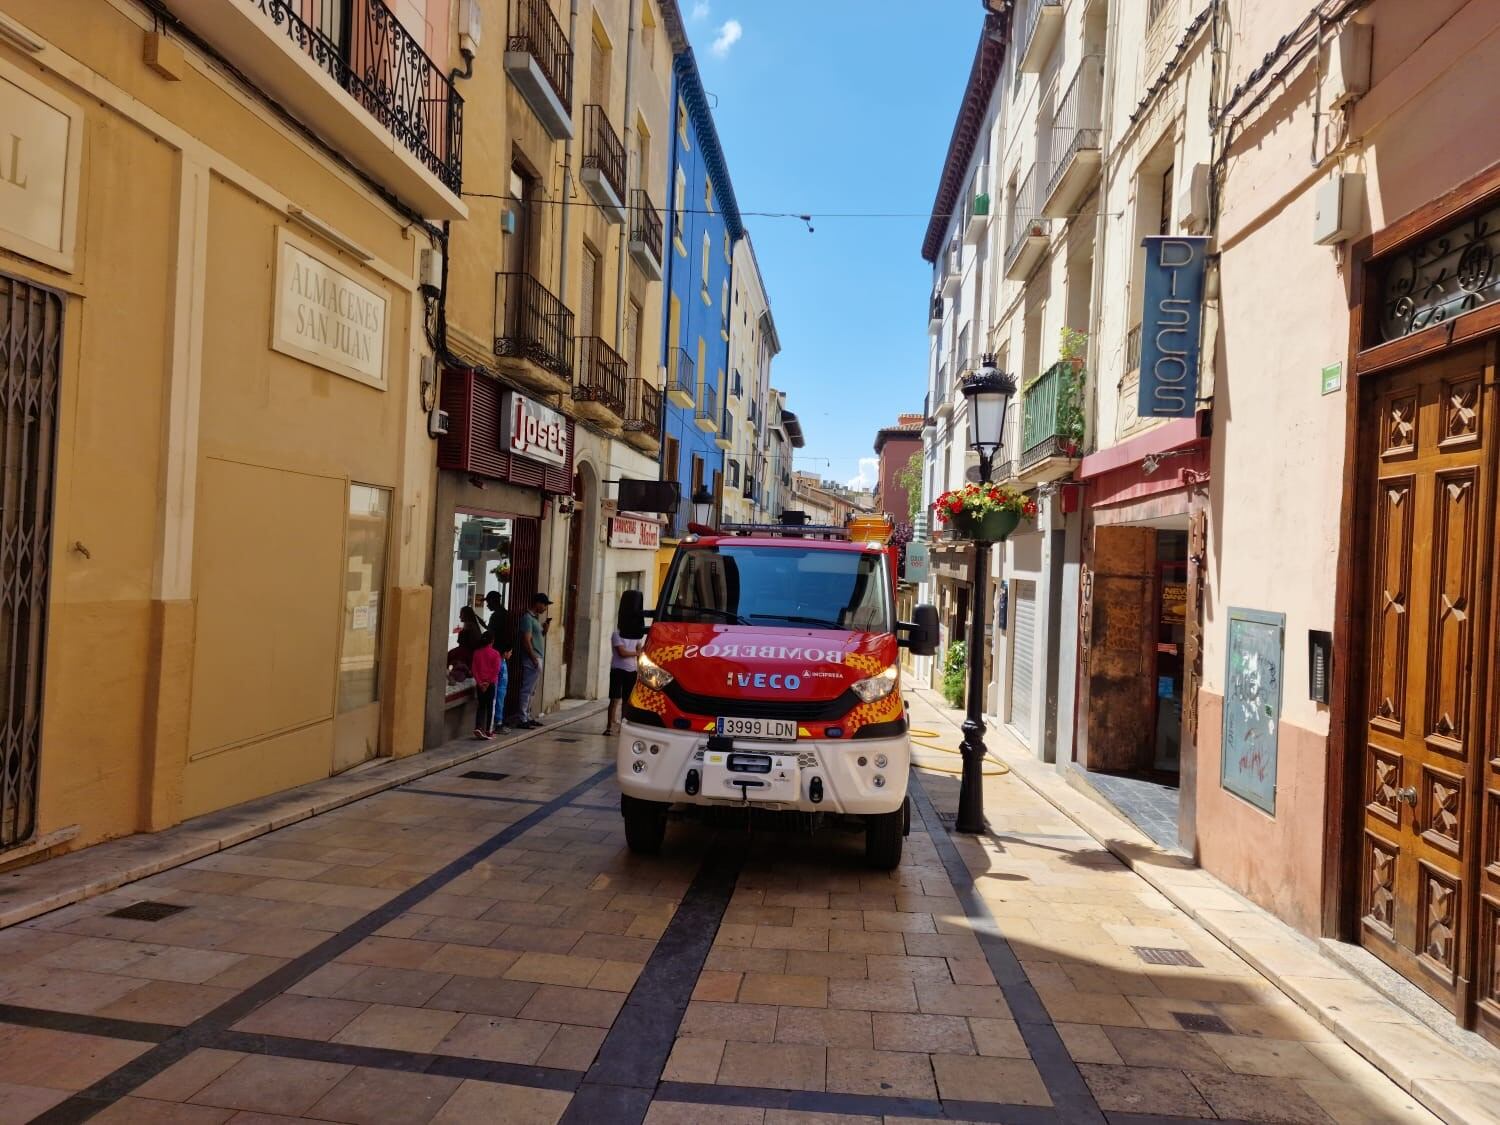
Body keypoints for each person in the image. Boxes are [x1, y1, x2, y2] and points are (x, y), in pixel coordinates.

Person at [605, 590, 646, 736]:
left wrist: (639, 665)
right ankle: (609, 726)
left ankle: (622, 726)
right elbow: (622, 653)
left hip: (631, 670)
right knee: (614, 699)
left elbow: (639, 651)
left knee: (627, 700)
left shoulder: (637, 635)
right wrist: (637, 653)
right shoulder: (616, 634)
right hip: (618, 669)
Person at [512, 592, 551, 729]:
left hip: (537, 657)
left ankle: (527, 716)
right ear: (538, 603)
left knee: (532, 690)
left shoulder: (534, 619)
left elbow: (536, 638)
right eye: (544, 604)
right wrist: (533, 658)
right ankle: (522, 717)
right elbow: (526, 640)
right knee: (527, 689)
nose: (545, 608)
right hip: (532, 658)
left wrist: (544, 630)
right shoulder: (527, 618)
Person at [484, 591, 514, 735]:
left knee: (497, 692)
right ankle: (497, 721)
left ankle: (496, 722)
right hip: (502, 656)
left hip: (497, 656)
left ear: (493, 601)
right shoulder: (506, 615)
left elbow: (492, 635)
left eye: (488, 602)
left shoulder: (496, 616)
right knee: (500, 690)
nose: (487, 605)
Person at [469, 630, 501, 740]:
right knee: (490, 706)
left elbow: (474, 669)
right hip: (491, 684)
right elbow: (496, 670)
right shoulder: (495, 654)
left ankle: (478, 727)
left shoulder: (477, 653)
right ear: (492, 641)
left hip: (480, 684)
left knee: (481, 706)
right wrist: (488, 682)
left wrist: (480, 683)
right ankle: (488, 730)